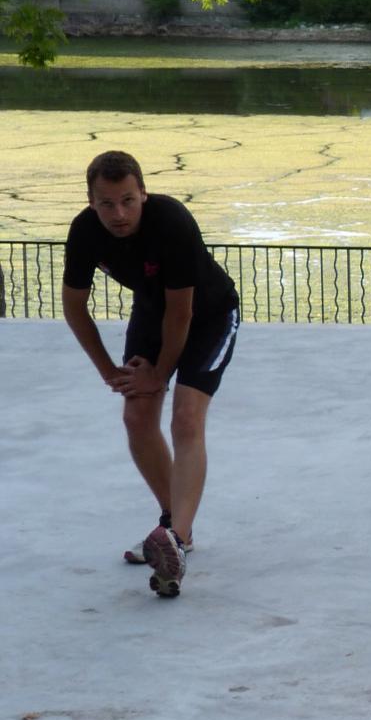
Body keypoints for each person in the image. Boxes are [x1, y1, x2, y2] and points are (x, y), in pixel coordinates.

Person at [60, 151, 239, 598]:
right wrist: (110, 372)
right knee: (136, 418)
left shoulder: (171, 220)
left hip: (209, 316)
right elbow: (74, 306)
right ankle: (173, 533)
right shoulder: (84, 232)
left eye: (127, 200)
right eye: (106, 204)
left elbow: (183, 312)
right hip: (152, 312)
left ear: (143, 192)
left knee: (185, 419)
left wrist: (159, 374)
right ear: (90, 202)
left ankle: (174, 538)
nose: (118, 214)